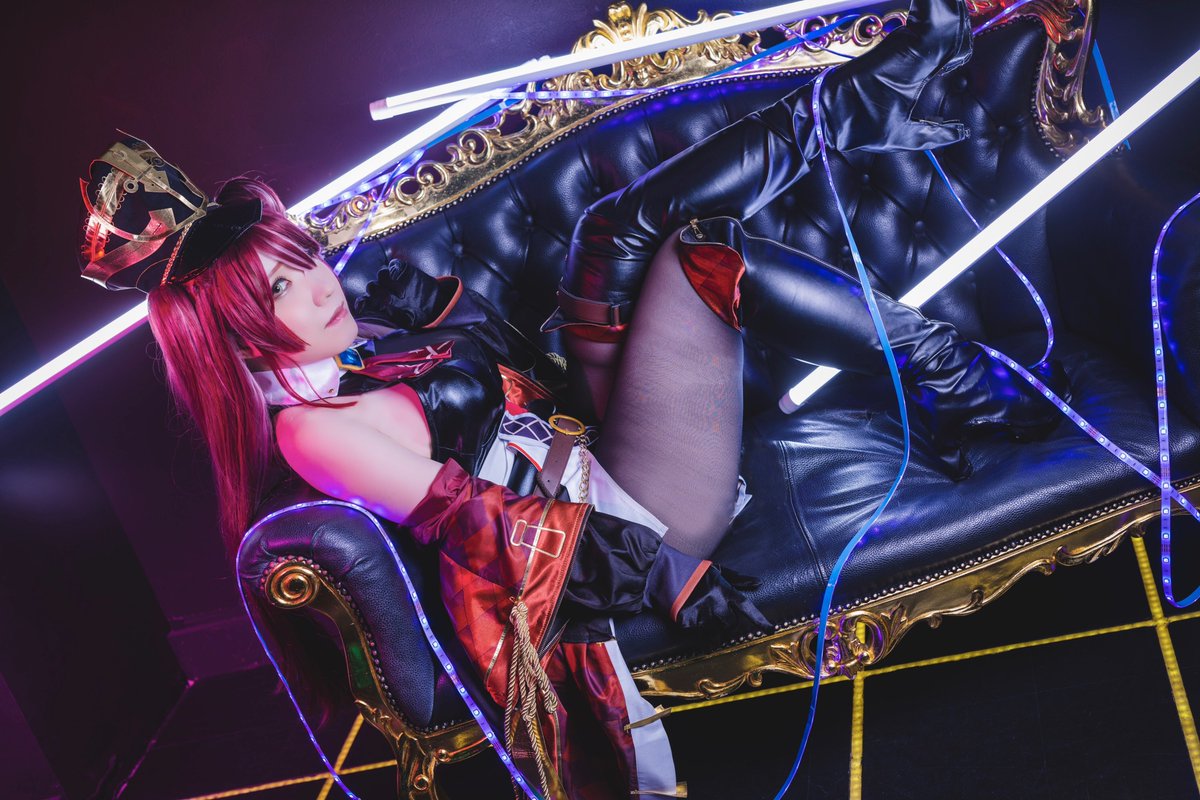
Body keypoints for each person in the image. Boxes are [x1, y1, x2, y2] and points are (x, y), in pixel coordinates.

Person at [77, 0, 1063, 795]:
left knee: (613, 230)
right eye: (280, 289)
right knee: (695, 251)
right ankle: (959, 363)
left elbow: (498, 364)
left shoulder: (352, 347)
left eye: (302, 259)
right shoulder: (309, 431)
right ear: (234, 332)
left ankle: (881, 134)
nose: (317, 285)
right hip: (626, 512)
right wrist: (668, 569)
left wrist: (425, 308)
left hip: (589, 432)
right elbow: (484, 523)